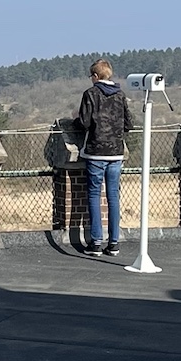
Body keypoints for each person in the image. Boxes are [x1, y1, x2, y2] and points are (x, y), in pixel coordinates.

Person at [74, 59, 132, 256]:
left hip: (96, 151)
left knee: (94, 195)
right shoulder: (120, 95)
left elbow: (84, 122)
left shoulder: (90, 94)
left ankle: (96, 242)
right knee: (113, 196)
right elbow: (128, 123)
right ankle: (114, 242)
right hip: (116, 152)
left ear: (96, 76)